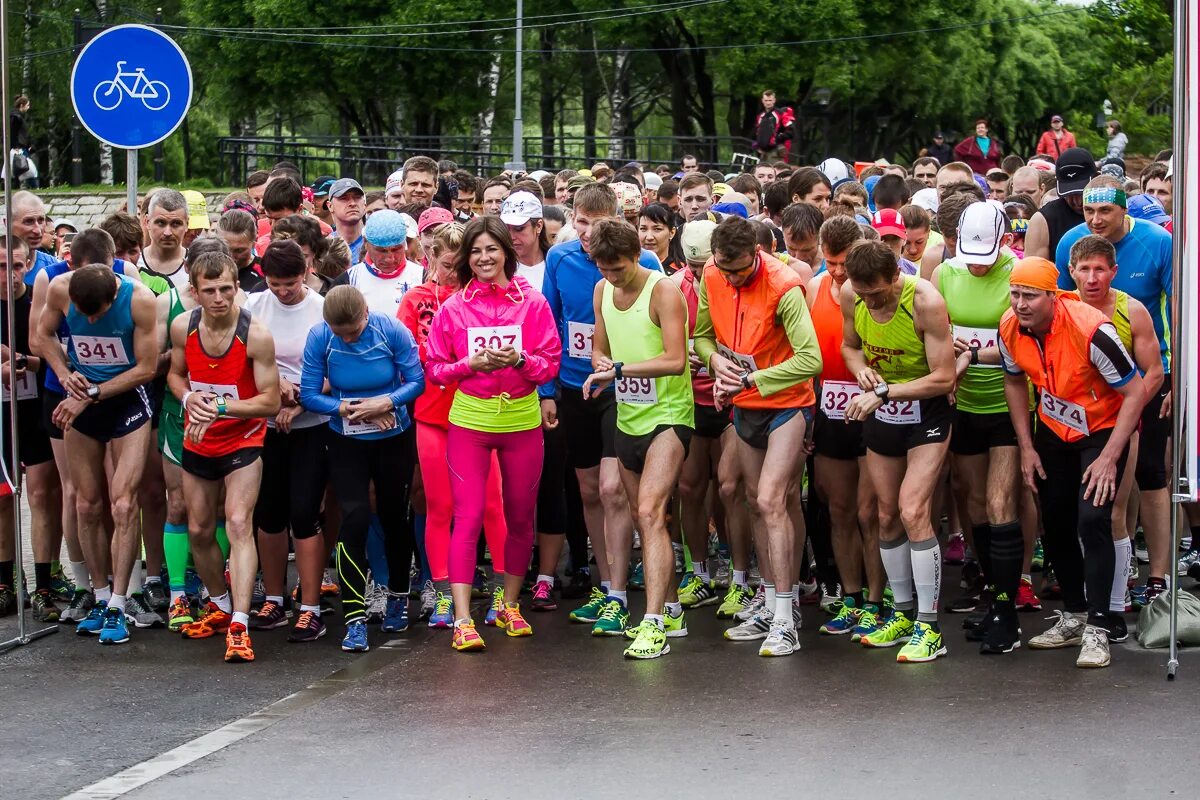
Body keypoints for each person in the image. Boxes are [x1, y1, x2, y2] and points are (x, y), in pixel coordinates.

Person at [999, 257, 1145, 668]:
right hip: (1053, 428)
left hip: (1102, 429)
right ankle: (1077, 614)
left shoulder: (1092, 330)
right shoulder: (1010, 326)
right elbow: (1013, 380)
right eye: (1015, 294)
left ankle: (1101, 625)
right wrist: (1025, 446)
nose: (1020, 304)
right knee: (1057, 519)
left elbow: (1135, 393)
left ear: (1053, 295)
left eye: (1030, 296)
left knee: (1092, 519)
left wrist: (1110, 457)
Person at [425, 217, 560, 651]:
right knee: (468, 517)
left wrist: (520, 360)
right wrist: (470, 366)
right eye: (476, 252)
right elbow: (435, 368)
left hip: (521, 421)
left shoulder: (534, 303)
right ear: (466, 258)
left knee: (520, 516)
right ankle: (463, 618)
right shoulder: (453, 308)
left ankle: (510, 603)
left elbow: (550, 365)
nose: (484, 258)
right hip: (470, 423)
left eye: (491, 250)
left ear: (507, 252)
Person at [692, 217, 823, 656]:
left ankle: (785, 618)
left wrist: (752, 380)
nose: (732, 277)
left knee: (771, 498)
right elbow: (703, 337)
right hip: (745, 405)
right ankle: (771, 603)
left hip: (787, 404)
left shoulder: (785, 285)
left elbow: (811, 359)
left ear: (758, 253)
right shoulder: (712, 273)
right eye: (724, 269)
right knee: (759, 500)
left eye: (740, 270)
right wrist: (714, 364)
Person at [542, 183, 662, 633]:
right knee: (590, 490)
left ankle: (618, 590)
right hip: (574, 386)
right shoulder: (559, 258)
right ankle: (607, 585)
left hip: (619, 385)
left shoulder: (643, 262)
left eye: (596, 222)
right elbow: (552, 323)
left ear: (616, 220)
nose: (587, 232)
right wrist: (548, 390)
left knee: (614, 488)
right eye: (581, 221)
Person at [577, 218, 694, 658]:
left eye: (620, 268)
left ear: (636, 256)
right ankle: (673, 609)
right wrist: (602, 366)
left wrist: (620, 370)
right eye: (604, 269)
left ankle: (652, 624)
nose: (612, 276)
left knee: (649, 512)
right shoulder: (602, 290)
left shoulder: (663, 289)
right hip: (627, 416)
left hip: (669, 416)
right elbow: (599, 348)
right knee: (653, 521)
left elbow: (675, 359)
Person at [1054, 176, 1174, 603]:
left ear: (1125, 208)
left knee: (1150, 475)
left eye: (1105, 211)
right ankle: (1099, 584)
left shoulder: (1158, 242)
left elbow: (1178, 312)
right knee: (1096, 495)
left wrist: (1177, 379)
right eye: (1088, 211)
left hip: (1150, 373)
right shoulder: (1072, 240)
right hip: (1087, 382)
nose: (1095, 220)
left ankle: (1158, 577)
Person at [841, 240, 956, 663]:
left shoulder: (925, 301)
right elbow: (849, 346)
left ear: (895, 277)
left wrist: (887, 391)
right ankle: (903, 613)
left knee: (913, 510)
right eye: (862, 294)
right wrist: (861, 371)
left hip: (924, 411)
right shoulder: (850, 294)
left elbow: (944, 377)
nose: (869, 302)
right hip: (884, 412)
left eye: (878, 294)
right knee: (885, 513)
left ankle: (930, 626)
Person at [33, 264, 158, 645]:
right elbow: (42, 334)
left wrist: (91, 394)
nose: (89, 320)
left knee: (122, 504)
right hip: (82, 401)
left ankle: (121, 602)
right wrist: (64, 370)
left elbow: (147, 368)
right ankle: (101, 597)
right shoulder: (58, 289)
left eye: (97, 314)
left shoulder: (138, 298)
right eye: (83, 314)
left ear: (112, 298)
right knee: (86, 504)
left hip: (125, 403)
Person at [167, 252, 279, 662]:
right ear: (194, 292)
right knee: (198, 529)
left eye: (226, 289)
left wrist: (219, 408)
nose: (218, 298)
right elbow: (175, 374)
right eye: (209, 290)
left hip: (243, 440)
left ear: (238, 288)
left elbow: (269, 401)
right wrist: (188, 397)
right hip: (198, 439)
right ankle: (219, 604)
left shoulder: (256, 335)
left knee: (236, 521)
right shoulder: (184, 327)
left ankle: (241, 622)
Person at [301, 286, 424, 652]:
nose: (348, 338)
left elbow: (417, 380)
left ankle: (399, 596)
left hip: (393, 435)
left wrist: (386, 402)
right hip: (346, 437)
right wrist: (350, 409)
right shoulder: (321, 337)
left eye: (353, 331)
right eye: (341, 334)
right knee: (353, 517)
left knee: (393, 516)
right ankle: (354, 617)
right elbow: (309, 394)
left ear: (366, 313)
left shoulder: (390, 330)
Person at [398, 223, 509, 627]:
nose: (456, 272)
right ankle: (443, 595)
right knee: (440, 508)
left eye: (461, 265)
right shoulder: (416, 300)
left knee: (492, 506)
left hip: (481, 414)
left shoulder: (488, 299)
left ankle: (501, 593)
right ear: (430, 258)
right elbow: (411, 359)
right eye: (448, 264)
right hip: (432, 417)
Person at [930, 202, 1026, 653]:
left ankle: (1008, 613)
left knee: (999, 499)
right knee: (973, 501)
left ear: (1004, 241)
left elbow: (1025, 346)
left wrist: (969, 356)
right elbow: (932, 331)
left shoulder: (1020, 274)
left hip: (1008, 404)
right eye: (970, 254)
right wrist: (949, 352)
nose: (976, 264)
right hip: (962, 402)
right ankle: (993, 592)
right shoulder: (945, 274)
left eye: (985, 256)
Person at [1068, 234, 1164, 641]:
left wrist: (1128, 416)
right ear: (1071, 271)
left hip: (1119, 425)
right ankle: (1088, 600)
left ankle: (1112, 605)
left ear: (1114, 272)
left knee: (1113, 513)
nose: (1092, 278)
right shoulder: (1061, 305)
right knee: (1074, 516)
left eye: (1100, 269)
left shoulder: (1131, 310)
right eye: (1084, 269)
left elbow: (1155, 371)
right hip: (1067, 426)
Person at [243, 240, 332, 642]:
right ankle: (274, 598)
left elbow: (339, 370)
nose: (282, 291)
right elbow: (242, 361)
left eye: (291, 283)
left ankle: (311, 606)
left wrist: (300, 400)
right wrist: (272, 387)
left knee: (304, 513)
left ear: (307, 270)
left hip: (311, 425)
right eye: (275, 284)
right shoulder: (253, 307)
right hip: (264, 426)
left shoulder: (322, 309)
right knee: (268, 514)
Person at [804, 218, 888, 639]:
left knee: (869, 511)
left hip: (874, 406)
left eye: (844, 262)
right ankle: (850, 596)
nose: (837, 271)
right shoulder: (814, 288)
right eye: (831, 261)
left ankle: (877, 599)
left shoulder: (874, 289)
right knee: (838, 509)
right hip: (830, 407)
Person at [671, 221, 753, 619]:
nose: (704, 272)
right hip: (691, 398)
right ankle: (699, 573)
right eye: (695, 265)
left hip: (733, 400)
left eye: (709, 265)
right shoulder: (673, 287)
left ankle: (740, 579)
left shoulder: (733, 282)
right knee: (688, 486)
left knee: (730, 486)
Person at [0, 235, 60, 621]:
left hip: (36, 407)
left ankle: (43, 584)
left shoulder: (38, 303)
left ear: (28, 264)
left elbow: (52, 357)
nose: (10, 274)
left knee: (41, 494)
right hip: (1, 412)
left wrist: (19, 360)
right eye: (2, 266)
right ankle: (6, 582)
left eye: (17, 265)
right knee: (5, 497)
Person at [333, 209, 423, 315]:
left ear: (405, 244)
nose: (390, 258)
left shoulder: (423, 277)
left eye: (396, 249)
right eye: (382, 251)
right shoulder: (348, 281)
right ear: (366, 243)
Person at [1023, 147, 1096, 261]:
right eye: (1069, 194)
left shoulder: (1113, 213)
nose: (1077, 201)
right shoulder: (1043, 220)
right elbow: (1033, 273)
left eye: (1082, 193)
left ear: (1096, 178)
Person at [138, 190, 191, 294]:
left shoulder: (197, 266)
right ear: (147, 222)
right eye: (161, 223)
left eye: (176, 224)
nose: (168, 233)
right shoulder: (133, 263)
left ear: (187, 224)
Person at [216, 209, 263, 292]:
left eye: (239, 250)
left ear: (254, 242)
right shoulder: (203, 270)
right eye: (225, 249)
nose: (231, 257)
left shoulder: (266, 272)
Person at [328, 178, 366, 264]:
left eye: (357, 197)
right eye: (344, 198)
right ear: (330, 206)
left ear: (364, 204)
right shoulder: (324, 247)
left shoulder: (375, 243)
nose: (352, 203)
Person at [752, 90, 793, 162]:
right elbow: (757, 132)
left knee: (775, 172)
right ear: (762, 101)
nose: (768, 103)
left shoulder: (781, 114)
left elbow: (791, 131)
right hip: (762, 153)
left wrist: (777, 139)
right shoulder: (761, 116)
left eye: (770, 100)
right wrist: (756, 144)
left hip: (775, 153)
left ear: (774, 100)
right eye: (766, 100)